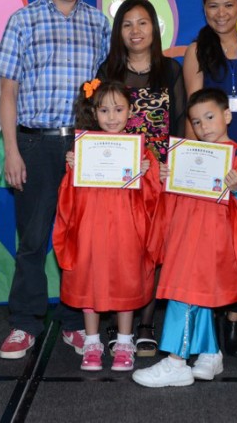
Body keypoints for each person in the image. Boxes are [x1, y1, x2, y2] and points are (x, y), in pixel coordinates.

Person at [0, 0, 111, 359]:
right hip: (34, 142)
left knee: (81, 239)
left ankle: (76, 322)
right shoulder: (23, 21)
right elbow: (7, 93)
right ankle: (25, 323)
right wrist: (11, 150)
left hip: (84, 145)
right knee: (32, 239)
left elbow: (106, 92)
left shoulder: (98, 23)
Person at [132, 88, 237, 388]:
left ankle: (176, 363)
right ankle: (210, 352)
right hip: (187, 237)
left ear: (227, 115)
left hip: (215, 243)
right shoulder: (185, 155)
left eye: (209, 117)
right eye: (196, 121)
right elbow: (172, 202)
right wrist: (165, 180)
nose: (203, 126)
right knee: (198, 297)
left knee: (184, 296)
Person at [98, 0, 186, 356]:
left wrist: (173, 166)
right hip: (118, 183)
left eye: (143, 23)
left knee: (153, 250)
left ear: (154, 28)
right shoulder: (108, 70)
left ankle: (146, 325)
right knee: (118, 251)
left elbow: (181, 122)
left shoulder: (171, 70)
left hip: (158, 178)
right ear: (119, 31)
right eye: (127, 24)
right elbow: (96, 123)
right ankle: (117, 323)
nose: (135, 31)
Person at [53, 80, 160, 372]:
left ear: (130, 111)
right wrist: (72, 168)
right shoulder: (85, 148)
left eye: (118, 109)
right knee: (90, 280)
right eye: (104, 110)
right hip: (91, 227)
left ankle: (124, 342)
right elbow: (69, 196)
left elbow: (153, 198)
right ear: (94, 112)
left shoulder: (141, 151)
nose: (112, 117)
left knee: (126, 279)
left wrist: (146, 174)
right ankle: (92, 342)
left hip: (127, 229)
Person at [183, 0, 237, 356]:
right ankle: (209, 315)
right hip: (210, 164)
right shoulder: (197, 51)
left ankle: (234, 318)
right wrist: (190, 167)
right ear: (204, 9)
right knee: (212, 246)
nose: (221, 13)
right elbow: (192, 113)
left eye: (229, 4)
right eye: (213, 6)